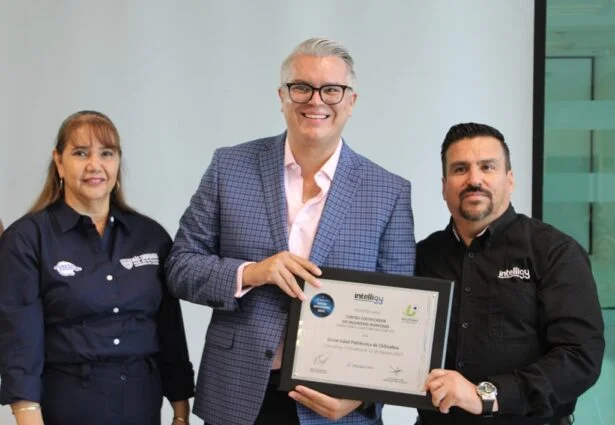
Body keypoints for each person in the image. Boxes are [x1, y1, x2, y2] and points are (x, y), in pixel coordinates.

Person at [165, 37, 416, 425]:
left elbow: (401, 313)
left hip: (335, 405)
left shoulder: (388, 191)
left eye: (331, 90)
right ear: (282, 96)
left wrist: (359, 396)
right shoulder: (228, 168)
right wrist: (253, 272)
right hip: (239, 394)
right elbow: (180, 267)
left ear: (351, 102)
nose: (316, 100)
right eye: (301, 87)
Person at [0, 111, 195, 425]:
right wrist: (27, 416)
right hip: (68, 405)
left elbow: (169, 330)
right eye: (80, 153)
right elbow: (20, 341)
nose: (95, 165)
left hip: (142, 405)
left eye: (107, 153)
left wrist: (181, 413)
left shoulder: (150, 236)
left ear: (118, 162)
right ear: (59, 162)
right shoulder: (27, 239)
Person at [415, 122, 605, 425]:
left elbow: (579, 357)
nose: (474, 180)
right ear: (444, 185)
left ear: (510, 179)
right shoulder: (423, 256)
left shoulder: (555, 252)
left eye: (487, 167)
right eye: (460, 169)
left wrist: (485, 396)